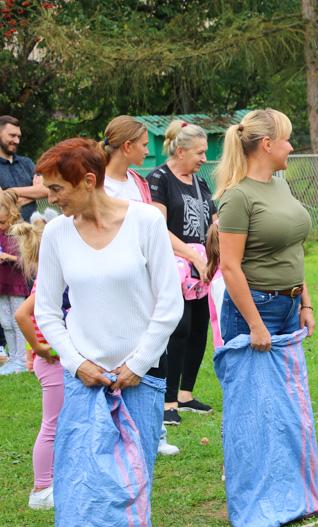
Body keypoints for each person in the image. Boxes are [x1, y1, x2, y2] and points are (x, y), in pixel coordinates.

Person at [34, 139, 183, 524]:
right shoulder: (56, 234)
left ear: (87, 180)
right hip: (84, 380)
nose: (50, 200)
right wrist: (76, 363)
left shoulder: (146, 221)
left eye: (56, 189)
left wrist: (138, 363)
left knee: (131, 481)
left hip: (140, 379)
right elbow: (48, 311)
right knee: (81, 481)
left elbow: (169, 303)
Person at [215, 109, 318, 523]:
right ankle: (248, 486)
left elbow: (292, 251)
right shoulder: (238, 196)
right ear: (267, 144)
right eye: (288, 139)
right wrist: (256, 324)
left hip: (290, 306)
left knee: (283, 403)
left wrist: (305, 302)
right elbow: (229, 267)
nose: (292, 147)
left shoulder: (280, 184)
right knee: (250, 405)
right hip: (254, 310)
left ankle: (284, 483)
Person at [100, 115, 180, 456]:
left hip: (144, 280)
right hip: (113, 284)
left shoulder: (138, 182)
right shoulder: (99, 185)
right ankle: (116, 431)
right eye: (145, 144)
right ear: (127, 146)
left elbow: (154, 232)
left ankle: (153, 430)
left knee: (153, 351)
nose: (150, 151)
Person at [146, 120, 216, 426]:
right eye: (199, 152)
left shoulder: (201, 183)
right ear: (180, 150)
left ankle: (186, 395)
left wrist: (213, 257)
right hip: (173, 264)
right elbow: (158, 228)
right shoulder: (158, 178)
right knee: (179, 328)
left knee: (201, 326)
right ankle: (168, 399)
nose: (204, 158)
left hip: (202, 266)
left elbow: (214, 221)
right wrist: (192, 257)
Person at [10, 212, 62, 509]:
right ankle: (41, 489)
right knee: (52, 425)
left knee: (60, 423)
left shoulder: (47, 273)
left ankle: (54, 480)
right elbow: (22, 315)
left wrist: (32, 356)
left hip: (52, 360)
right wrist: (39, 350)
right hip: (53, 361)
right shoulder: (48, 276)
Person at [0, 190, 31, 375]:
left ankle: (22, 359)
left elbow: (27, 262)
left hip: (16, 286)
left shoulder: (20, 233)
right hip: (2, 285)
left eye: (2, 222)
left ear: (12, 215)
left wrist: (10, 257)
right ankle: (13, 357)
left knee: (17, 321)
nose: (1, 225)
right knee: (5, 322)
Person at [0, 115, 47, 222]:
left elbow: (46, 189)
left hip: (31, 233)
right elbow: (2, 203)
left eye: (18, 137)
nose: (17, 141)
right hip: (4, 235)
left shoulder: (26, 163)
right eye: (12, 136)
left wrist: (10, 192)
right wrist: (34, 194)